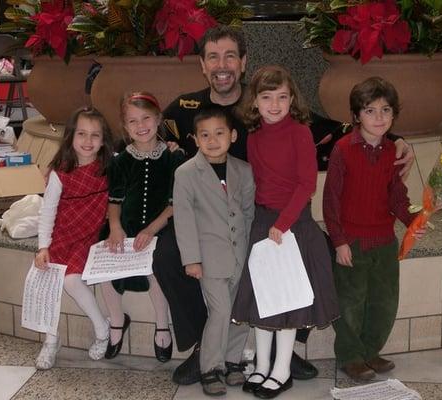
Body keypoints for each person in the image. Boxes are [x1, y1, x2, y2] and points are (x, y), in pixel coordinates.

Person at [159, 25, 415, 385]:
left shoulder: (263, 108)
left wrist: (397, 140)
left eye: (230, 55)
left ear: (243, 63)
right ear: (202, 64)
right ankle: (204, 346)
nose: (222, 64)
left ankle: (287, 343)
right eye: (213, 57)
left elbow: (337, 128)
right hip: (209, 219)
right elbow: (146, 134)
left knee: (318, 254)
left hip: (257, 217)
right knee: (167, 255)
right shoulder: (186, 107)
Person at [231, 65, 339, 399]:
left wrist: (283, 223)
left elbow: (306, 183)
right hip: (262, 223)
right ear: (256, 102)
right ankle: (262, 364)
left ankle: (282, 369)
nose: (274, 105)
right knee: (264, 298)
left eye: (281, 97)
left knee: (287, 300)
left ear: (292, 99)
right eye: (267, 98)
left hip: (291, 225)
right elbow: (256, 182)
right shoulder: (255, 135)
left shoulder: (299, 133)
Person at [323, 77, 426, 381]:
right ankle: (350, 356)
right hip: (352, 242)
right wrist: (339, 241)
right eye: (370, 111)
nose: (379, 117)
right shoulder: (343, 150)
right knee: (350, 304)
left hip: (384, 242)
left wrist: (413, 221)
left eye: (385, 110)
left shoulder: (392, 150)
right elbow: (331, 201)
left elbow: (397, 195)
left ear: (394, 114)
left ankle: (369, 351)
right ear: (356, 116)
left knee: (384, 302)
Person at [101, 91, 206, 362]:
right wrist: (115, 227)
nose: (141, 126)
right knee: (107, 264)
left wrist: (151, 230)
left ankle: (162, 324)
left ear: (158, 119)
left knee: (156, 265)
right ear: (125, 126)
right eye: (133, 121)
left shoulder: (173, 157)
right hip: (126, 226)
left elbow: (175, 203)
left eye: (146, 118)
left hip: (161, 226)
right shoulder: (120, 161)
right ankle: (115, 321)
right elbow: (115, 199)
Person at [173, 106, 255, 396]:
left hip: (241, 255)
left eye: (219, 133)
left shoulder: (243, 170)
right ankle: (209, 366)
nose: (212, 140)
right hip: (208, 260)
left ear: (232, 135)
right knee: (219, 311)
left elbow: (248, 213)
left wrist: (252, 253)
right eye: (204, 135)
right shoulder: (186, 174)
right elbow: (183, 219)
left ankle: (233, 362)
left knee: (238, 312)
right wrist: (191, 259)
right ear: (195, 139)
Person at [34, 107, 114, 370]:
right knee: (48, 281)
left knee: (70, 279)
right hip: (63, 235)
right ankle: (51, 340)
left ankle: (102, 329)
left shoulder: (110, 167)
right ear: (70, 137)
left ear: (104, 140)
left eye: (95, 135)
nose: (88, 141)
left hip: (90, 237)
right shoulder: (60, 172)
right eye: (81, 134)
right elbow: (48, 211)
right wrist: (43, 246)